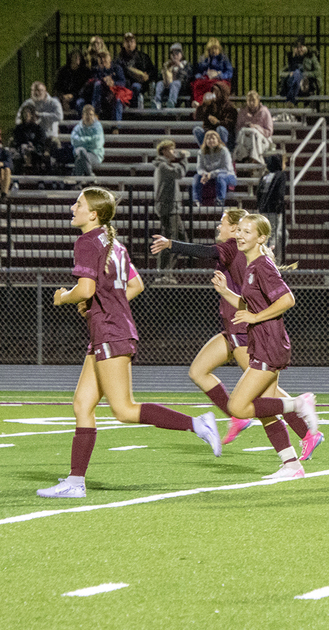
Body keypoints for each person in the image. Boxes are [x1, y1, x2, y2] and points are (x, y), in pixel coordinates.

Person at [38, 187, 222, 499]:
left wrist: (63, 297)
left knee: (123, 409)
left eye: (79, 204)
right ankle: (75, 481)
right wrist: (101, 302)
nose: (73, 207)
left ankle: (197, 424)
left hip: (110, 331)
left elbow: (83, 289)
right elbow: (134, 285)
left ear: (93, 214)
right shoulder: (112, 243)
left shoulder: (87, 241)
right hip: (110, 329)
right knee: (82, 404)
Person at [152, 209, 323, 461]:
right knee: (200, 372)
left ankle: (303, 433)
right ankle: (245, 421)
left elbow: (207, 252)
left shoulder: (233, 248)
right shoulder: (247, 257)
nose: (219, 228)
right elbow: (247, 298)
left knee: (264, 398)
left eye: (224, 224)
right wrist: (225, 292)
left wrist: (171, 244)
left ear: (237, 230)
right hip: (234, 328)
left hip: (248, 332)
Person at [210, 213, 322, 479]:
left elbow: (287, 300)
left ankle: (299, 404)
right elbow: (252, 304)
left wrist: (255, 318)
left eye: (247, 232)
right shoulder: (252, 265)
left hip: (268, 342)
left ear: (261, 238)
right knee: (265, 409)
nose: (239, 235)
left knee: (238, 406)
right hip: (263, 341)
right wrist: (227, 292)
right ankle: (291, 465)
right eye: (239, 231)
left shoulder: (261, 265)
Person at [152, 139, 189, 276]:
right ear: (164, 151)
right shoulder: (162, 166)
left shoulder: (164, 165)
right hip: (168, 208)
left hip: (172, 208)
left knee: (181, 239)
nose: (174, 152)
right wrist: (184, 159)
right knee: (169, 240)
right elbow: (179, 173)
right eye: (171, 149)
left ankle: (167, 270)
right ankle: (163, 273)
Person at [193, 129, 237, 206]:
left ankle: (220, 200)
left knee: (220, 177)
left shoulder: (224, 151)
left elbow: (226, 169)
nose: (211, 140)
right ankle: (196, 200)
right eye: (208, 138)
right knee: (197, 177)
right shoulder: (201, 152)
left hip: (228, 175)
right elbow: (199, 168)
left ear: (218, 140)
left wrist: (211, 174)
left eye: (213, 138)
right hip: (210, 176)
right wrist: (205, 174)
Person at [255, 153, 289, 252]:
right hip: (275, 210)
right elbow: (280, 193)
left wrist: (260, 208)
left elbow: (259, 194)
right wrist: (279, 207)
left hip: (264, 209)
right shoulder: (281, 175)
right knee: (273, 235)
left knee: (281, 233)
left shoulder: (265, 177)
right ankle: (270, 257)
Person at [83, 51, 129, 122]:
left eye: (105, 59)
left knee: (118, 101)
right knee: (97, 84)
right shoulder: (96, 70)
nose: (103, 62)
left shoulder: (117, 68)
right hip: (101, 96)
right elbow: (91, 83)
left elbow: (123, 83)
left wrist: (113, 83)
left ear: (110, 59)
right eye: (101, 60)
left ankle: (116, 127)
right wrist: (103, 81)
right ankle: (95, 115)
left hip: (114, 95)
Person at [11, 104, 55, 175]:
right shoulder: (18, 128)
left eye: (27, 112)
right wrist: (22, 146)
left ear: (32, 114)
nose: (26, 114)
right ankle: (17, 180)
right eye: (24, 113)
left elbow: (41, 142)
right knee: (17, 156)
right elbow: (16, 141)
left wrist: (33, 147)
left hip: (35, 150)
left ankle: (40, 180)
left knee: (37, 156)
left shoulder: (38, 128)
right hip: (22, 150)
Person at [278, 37, 322, 105]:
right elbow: (281, 73)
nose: (299, 49)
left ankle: (290, 100)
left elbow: (318, 72)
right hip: (293, 83)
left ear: (306, 47)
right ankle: (292, 96)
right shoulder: (292, 58)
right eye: (297, 47)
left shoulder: (311, 57)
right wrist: (289, 74)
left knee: (298, 73)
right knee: (296, 74)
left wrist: (305, 74)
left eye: (301, 47)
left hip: (307, 86)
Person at [117, 32, 156, 108]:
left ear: (135, 43)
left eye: (132, 42)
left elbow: (153, 71)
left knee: (136, 87)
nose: (129, 44)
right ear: (123, 44)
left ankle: (134, 110)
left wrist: (147, 76)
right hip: (125, 84)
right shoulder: (119, 59)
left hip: (140, 84)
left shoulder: (143, 57)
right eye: (127, 42)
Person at [234, 91, 274, 165]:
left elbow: (269, 132)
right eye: (249, 100)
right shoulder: (242, 112)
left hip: (262, 140)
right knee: (245, 132)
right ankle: (248, 158)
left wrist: (256, 128)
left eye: (253, 100)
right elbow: (238, 129)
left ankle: (254, 158)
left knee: (253, 132)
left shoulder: (264, 112)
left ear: (258, 100)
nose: (251, 103)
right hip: (245, 139)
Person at [192, 82, 237, 147]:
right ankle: (205, 149)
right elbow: (200, 117)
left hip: (224, 134)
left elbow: (230, 124)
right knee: (197, 130)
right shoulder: (210, 105)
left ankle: (221, 149)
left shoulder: (230, 107)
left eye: (216, 92)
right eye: (213, 92)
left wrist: (218, 122)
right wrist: (202, 106)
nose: (214, 94)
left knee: (220, 129)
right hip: (211, 133)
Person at [192, 38, 234, 104]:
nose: (214, 51)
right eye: (212, 49)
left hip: (219, 79)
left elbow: (229, 72)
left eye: (216, 48)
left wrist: (219, 75)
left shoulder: (223, 59)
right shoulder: (205, 59)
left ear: (219, 49)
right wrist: (203, 75)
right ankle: (200, 103)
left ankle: (215, 103)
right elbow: (198, 72)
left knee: (217, 86)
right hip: (206, 79)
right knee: (197, 85)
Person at [154, 42, 191, 109]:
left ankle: (171, 102)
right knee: (159, 84)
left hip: (181, 88)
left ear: (181, 55)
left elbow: (186, 77)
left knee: (175, 83)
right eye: (172, 54)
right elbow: (160, 77)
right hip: (168, 86)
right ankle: (157, 102)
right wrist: (165, 72)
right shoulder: (168, 65)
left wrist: (179, 66)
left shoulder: (185, 65)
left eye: (177, 53)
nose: (175, 56)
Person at [71, 105, 104, 177]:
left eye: (91, 114)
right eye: (87, 115)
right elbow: (73, 140)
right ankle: (90, 175)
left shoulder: (98, 127)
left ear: (94, 116)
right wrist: (89, 140)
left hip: (95, 155)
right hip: (80, 154)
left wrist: (82, 142)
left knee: (81, 154)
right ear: (83, 116)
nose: (89, 117)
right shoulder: (78, 127)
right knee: (81, 152)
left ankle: (78, 181)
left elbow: (97, 143)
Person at [55, 49, 92, 114]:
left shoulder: (85, 72)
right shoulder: (62, 71)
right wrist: (62, 97)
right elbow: (57, 87)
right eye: (75, 57)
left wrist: (73, 96)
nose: (77, 59)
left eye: (79, 57)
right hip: (63, 96)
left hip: (78, 96)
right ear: (70, 58)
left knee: (80, 103)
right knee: (54, 101)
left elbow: (85, 89)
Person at [0, 131, 12, 198]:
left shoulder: (4, 151)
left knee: (6, 170)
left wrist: (2, 163)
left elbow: (10, 164)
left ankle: (4, 194)